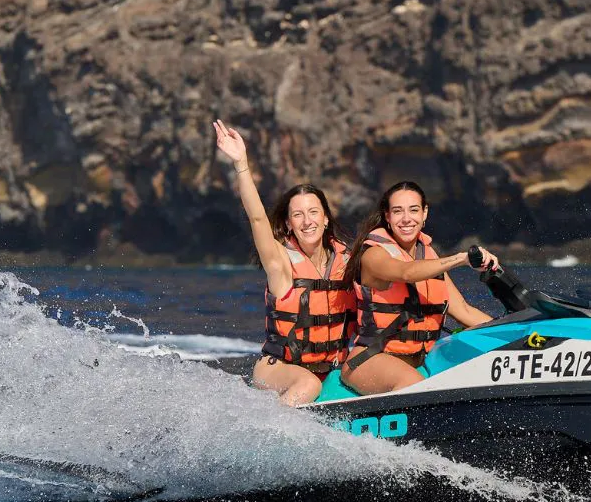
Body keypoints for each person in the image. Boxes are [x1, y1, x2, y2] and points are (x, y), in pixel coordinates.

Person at [213, 119, 356, 406]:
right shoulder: (280, 263)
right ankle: (273, 431)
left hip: (331, 367)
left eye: (313, 212)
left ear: (326, 219)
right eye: (298, 215)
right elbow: (257, 218)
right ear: (289, 224)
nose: (307, 221)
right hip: (279, 369)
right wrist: (241, 164)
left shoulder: (348, 262)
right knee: (308, 383)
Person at [341, 181, 499, 395]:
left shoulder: (428, 257)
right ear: (387, 216)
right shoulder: (373, 254)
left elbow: (464, 311)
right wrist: (462, 259)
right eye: (398, 211)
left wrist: (516, 333)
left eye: (414, 210)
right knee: (413, 384)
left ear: (425, 213)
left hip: (420, 360)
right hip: (369, 360)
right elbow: (406, 273)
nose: (406, 218)